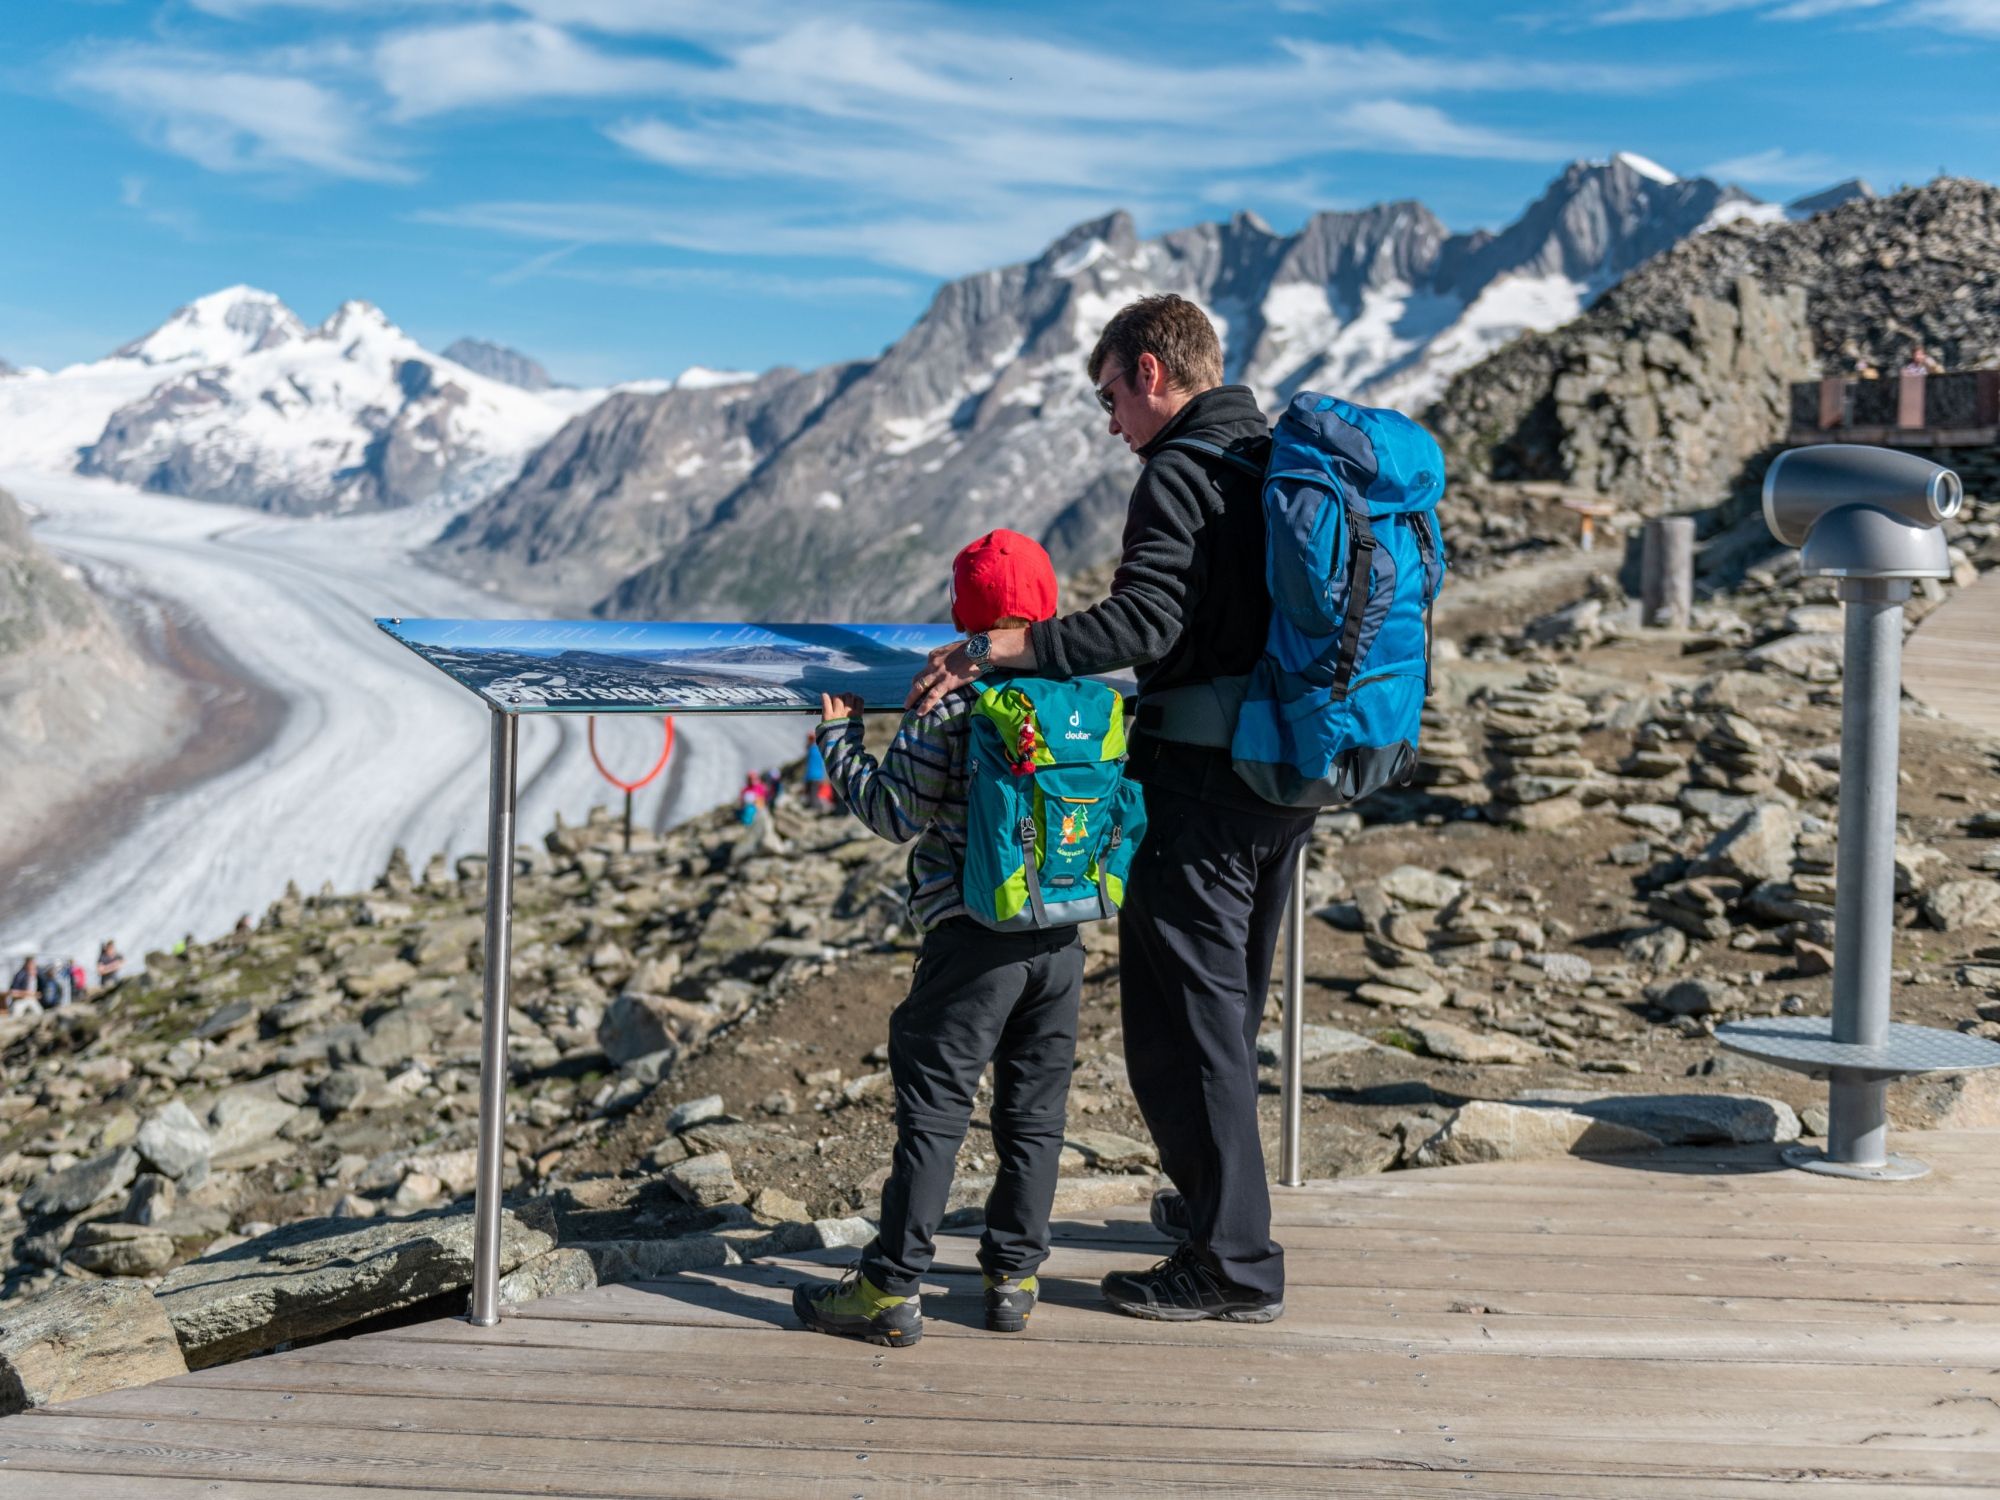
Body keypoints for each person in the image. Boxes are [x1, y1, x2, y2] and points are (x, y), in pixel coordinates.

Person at [909, 294, 1310, 1325]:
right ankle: (1214, 1214)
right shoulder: (1274, 460)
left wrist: (1007, 648)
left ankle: (1233, 1265)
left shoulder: (1181, 468)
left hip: (1203, 784)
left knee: (1186, 1028)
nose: (1109, 423)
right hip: (1282, 778)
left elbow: (1145, 618)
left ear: (1148, 372)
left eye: (1108, 398)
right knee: (1223, 1012)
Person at [794, 529, 1079, 1348]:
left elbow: (895, 813)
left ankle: (891, 1288)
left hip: (971, 934)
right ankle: (1013, 1277)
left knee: (936, 1114)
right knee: (1035, 1115)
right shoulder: (1077, 690)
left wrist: (840, 741)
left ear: (962, 612)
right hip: (1061, 937)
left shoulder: (947, 696)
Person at [803, 734, 829, 812]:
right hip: (818, 775)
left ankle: (815, 809)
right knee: (813, 793)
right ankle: (815, 808)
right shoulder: (819, 749)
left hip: (811, 775)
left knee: (812, 794)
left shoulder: (812, 749)